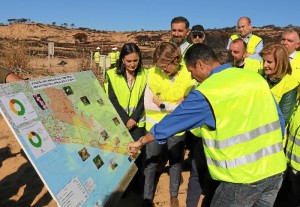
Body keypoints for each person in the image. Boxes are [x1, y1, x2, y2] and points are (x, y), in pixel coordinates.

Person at [128, 43, 287, 207]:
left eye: (191, 71)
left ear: (200, 64)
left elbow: (171, 123)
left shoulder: (208, 92)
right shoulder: (254, 78)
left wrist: (140, 141)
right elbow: (279, 121)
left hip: (242, 179)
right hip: (275, 172)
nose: (191, 77)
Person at [142, 42, 196, 207]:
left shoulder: (188, 75)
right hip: (154, 126)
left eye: (165, 66)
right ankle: (147, 198)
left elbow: (188, 106)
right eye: (159, 66)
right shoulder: (151, 74)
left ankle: (173, 196)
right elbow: (148, 104)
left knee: (175, 162)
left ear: (176, 60)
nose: (162, 70)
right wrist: (174, 106)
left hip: (177, 128)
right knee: (151, 162)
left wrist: (162, 104)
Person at [104, 43, 148, 195]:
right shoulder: (111, 74)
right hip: (119, 123)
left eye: (135, 60)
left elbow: (144, 98)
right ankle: (121, 187)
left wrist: (134, 118)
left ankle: (135, 185)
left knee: (137, 155)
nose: (132, 64)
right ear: (122, 59)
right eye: (129, 61)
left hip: (138, 123)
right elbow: (112, 99)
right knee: (120, 154)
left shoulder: (145, 74)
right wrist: (125, 119)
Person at [259, 43, 298, 124]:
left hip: (273, 132)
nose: (265, 65)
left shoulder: (290, 85)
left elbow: (283, 119)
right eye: (263, 61)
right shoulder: (260, 77)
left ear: (280, 63)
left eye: (269, 62)